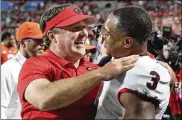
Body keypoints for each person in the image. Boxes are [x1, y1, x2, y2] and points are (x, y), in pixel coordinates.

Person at [17, 4, 139, 120]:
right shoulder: (34, 65)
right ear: (52, 36)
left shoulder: (94, 69)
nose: (84, 33)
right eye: (75, 28)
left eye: (84, 27)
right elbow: (43, 98)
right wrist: (100, 74)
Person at [95, 6, 171, 119]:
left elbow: (141, 113)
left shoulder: (139, 73)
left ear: (127, 42)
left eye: (107, 34)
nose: (102, 39)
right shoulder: (126, 60)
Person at [1, 22, 44, 119]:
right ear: (24, 43)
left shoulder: (42, 67)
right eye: (38, 39)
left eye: (43, 39)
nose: (43, 43)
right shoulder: (7, 70)